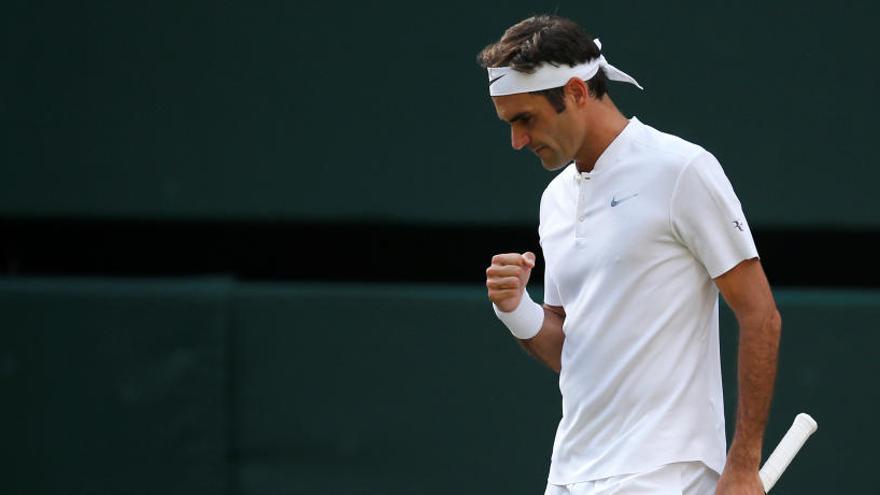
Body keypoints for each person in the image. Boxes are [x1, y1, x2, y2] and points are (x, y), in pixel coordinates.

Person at [478, 15, 782, 495]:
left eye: (525, 119)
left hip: (663, 471)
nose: (517, 141)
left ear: (577, 92)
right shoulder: (554, 199)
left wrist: (742, 464)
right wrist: (516, 310)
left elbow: (760, 314)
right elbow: (571, 352)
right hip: (571, 473)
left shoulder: (682, 170)